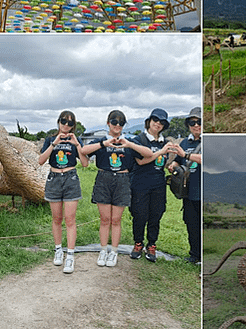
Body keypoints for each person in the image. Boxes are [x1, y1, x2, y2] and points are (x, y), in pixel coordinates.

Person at [81, 110, 152, 268]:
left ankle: (114, 251)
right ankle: (103, 250)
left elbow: (148, 154)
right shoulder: (102, 141)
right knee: (105, 220)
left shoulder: (129, 141)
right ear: (108, 123)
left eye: (121, 123)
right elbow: (83, 151)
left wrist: (129, 144)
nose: (117, 126)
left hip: (122, 179)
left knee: (116, 220)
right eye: (114, 122)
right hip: (103, 179)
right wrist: (103, 144)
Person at [38, 110, 89, 274]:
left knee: (70, 219)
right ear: (58, 122)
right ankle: (58, 249)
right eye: (63, 121)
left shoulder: (76, 140)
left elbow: (85, 163)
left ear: (73, 125)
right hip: (54, 178)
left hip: (70, 178)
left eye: (69, 123)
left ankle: (70, 255)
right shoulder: (50, 139)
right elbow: (40, 161)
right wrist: (54, 143)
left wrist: (78, 145)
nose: (66, 125)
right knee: (56, 218)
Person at [129, 108, 176, 262]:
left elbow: (162, 163)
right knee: (140, 215)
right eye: (155, 120)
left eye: (162, 122)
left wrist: (171, 165)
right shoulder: (139, 140)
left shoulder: (165, 142)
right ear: (149, 121)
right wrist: (161, 151)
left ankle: (151, 245)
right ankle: (138, 243)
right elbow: (141, 161)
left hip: (158, 185)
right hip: (140, 184)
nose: (158, 124)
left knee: (156, 215)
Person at [169, 107, 202, 263]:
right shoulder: (184, 142)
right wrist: (174, 165)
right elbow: (179, 160)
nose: (196, 125)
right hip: (189, 192)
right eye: (192, 122)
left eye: (199, 122)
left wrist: (186, 155)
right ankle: (195, 255)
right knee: (191, 224)